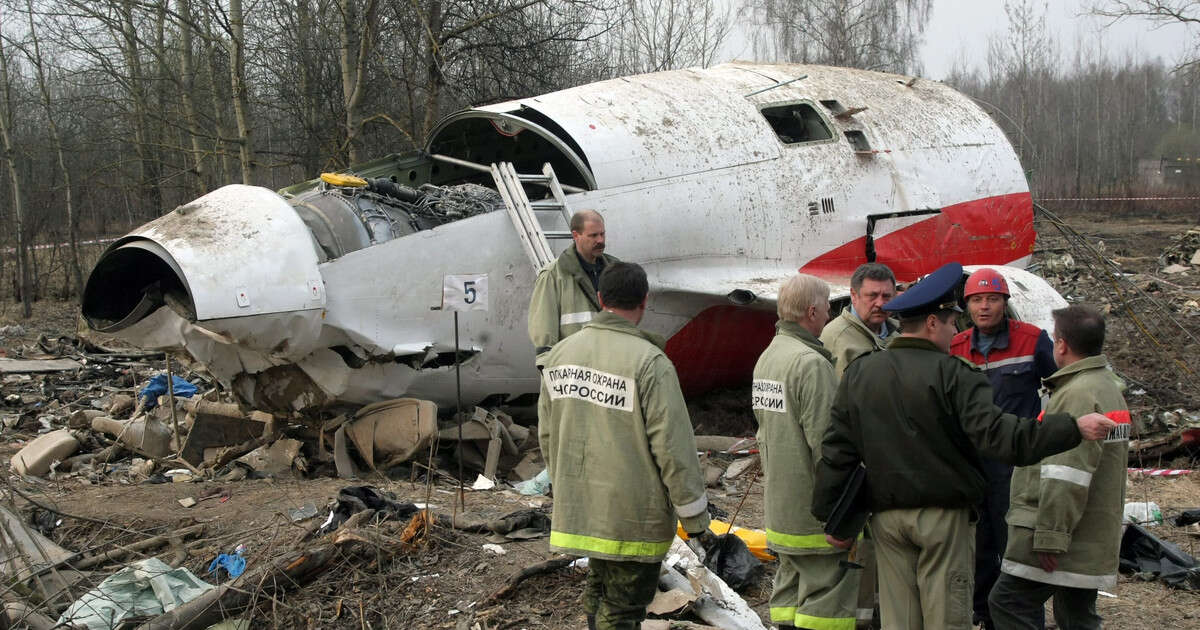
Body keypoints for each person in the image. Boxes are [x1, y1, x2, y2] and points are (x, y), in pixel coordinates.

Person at [812, 261, 1117, 630]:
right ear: (931, 323)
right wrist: (1072, 428)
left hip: (887, 520)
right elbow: (1002, 437)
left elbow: (838, 447)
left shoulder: (862, 372)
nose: (956, 328)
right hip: (942, 520)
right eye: (951, 320)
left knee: (900, 620)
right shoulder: (955, 375)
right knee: (946, 618)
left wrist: (831, 516)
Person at [537, 261, 713, 630]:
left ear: (600, 298)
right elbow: (674, 450)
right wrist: (695, 521)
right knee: (621, 610)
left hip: (583, 509)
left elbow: (548, 434)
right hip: (632, 518)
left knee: (599, 592)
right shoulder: (650, 363)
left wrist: (564, 483)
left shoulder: (560, 355)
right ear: (645, 301)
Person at [989, 305, 1130, 630]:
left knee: (1007, 602)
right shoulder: (1106, 387)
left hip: (1065, 535)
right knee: (1076, 616)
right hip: (1090, 532)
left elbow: (1066, 473)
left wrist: (1051, 536)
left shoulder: (1076, 395)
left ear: (1062, 345)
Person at [950, 268, 1057, 630]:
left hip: (1015, 466)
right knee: (978, 545)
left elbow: (1057, 391)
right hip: (972, 464)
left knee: (1015, 543)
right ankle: (984, 616)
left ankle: (1022, 617)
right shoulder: (957, 347)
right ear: (967, 306)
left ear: (1005, 303)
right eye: (977, 300)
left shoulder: (1032, 340)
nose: (984, 307)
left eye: (992, 299)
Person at [753, 274, 858, 630]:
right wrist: (843, 513)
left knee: (786, 598)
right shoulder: (811, 365)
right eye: (827, 309)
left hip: (781, 512)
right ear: (812, 312)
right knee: (825, 604)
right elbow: (827, 446)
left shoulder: (768, 357)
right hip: (814, 517)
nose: (829, 316)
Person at [528, 209, 618, 366]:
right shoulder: (553, 275)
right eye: (593, 235)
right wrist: (550, 371)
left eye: (602, 234)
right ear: (576, 236)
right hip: (575, 373)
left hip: (610, 369)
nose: (600, 240)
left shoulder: (616, 270)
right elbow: (544, 332)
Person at [820, 263, 898, 380]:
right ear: (854, 295)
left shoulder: (899, 335)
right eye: (873, 295)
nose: (880, 303)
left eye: (886, 296)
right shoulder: (835, 338)